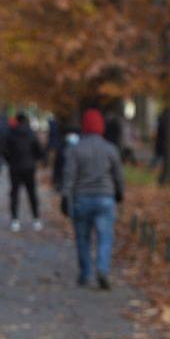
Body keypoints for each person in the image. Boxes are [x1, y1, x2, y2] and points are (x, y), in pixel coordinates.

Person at [61, 109, 124, 290]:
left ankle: (86, 273)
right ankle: (102, 268)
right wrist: (119, 192)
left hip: (82, 198)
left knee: (83, 238)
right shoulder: (110, 149)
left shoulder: (76, 149)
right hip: (105, 197)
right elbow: (118, 175)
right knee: (105, 237)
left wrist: (66, 196)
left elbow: (69, 176)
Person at [4, 113, 45, 231]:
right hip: (29, 167)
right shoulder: (31, 134)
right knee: (32, 193)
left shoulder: (11, 133)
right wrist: (34, 159)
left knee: (14, 193)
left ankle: (15, 220)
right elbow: (38, 151)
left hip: (15, 167)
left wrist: (10, 160)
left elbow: (5, 150)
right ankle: (36, 219)